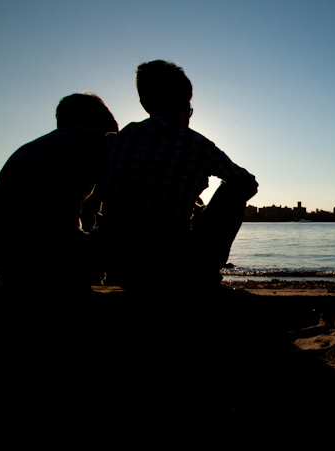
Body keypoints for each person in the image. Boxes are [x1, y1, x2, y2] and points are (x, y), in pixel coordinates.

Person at [101, 60, 258, 292]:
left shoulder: (113, 142)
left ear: (144, 103)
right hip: (176, 270)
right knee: (233, 190)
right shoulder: (196, 144)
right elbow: (248, 183)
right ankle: (203, 275)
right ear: (185, 105)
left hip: (120, 270)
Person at [0, 93, 118, 292]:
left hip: (6, 268)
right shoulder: (97, 144)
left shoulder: (26, 149)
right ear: (94, 121)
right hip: (54, 269)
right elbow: (123, 203)